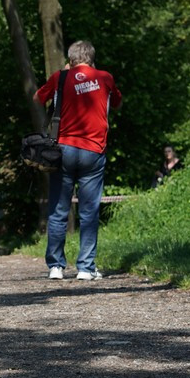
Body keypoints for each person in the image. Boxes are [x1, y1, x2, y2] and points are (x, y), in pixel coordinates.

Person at [34, 40, 122, 281]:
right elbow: (117, 102)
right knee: (89, 211)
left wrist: (64, 75)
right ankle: (86, 267)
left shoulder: (60, 77)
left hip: (63, 150)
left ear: (70, 59)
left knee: (58, 210)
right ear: (92, 58)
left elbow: (37, 98)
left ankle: (56, 267)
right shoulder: (105, 78)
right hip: (94, 150)